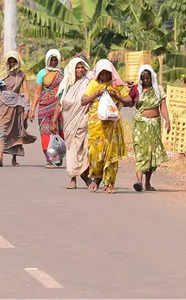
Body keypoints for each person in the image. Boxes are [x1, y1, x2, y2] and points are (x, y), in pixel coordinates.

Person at [81, 59, 132, 194]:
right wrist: (96, 94)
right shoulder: (93, 84)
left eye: (107, 73)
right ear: (98, 74)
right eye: (102, 74)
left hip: (112, 127)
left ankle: (109, 183)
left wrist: (117, 96)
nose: (104, 76)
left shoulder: (116, 85)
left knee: (111, 155)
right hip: (96, 127)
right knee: (95, 154)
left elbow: (129, 101)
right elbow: (83, 100)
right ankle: (96, 179)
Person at [51, 57, 92, 189]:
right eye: (77, 67)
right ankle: (73, 178)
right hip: (69, 124)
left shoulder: (88, 82)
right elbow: (59, 103)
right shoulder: (66, 84)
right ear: (72, 69)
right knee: (72, 150)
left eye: (81, 67)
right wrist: (53, 121)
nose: (80, 70)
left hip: (84, 121)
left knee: (84, 151)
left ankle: (86, 176)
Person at [131, 65, 170, 192]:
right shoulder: (138, 90)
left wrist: (167, 120)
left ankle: (147, 182)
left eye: (148, 78)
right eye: (143, 79)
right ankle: (139, 181)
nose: (146, 81)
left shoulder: (158, 90)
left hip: (154, 125)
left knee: (152, 154)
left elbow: (163, 107)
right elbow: (129, 100)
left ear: (151, 77)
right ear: (140, 79)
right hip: (140, 125)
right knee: (141, 151)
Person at [0, 51, 36, 167]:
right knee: (3, 130)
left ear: (17, 61)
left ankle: (14, 158)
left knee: (16, 131)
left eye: (14, 61)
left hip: (16, 107)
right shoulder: (2, 74)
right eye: (10, 61)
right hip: (3, 105)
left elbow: (25, 92)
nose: (11, 63)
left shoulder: (21, 75)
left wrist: (27, 108)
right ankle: (0, 155)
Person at [29, 49, 64, 167]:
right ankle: (50, 159)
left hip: (59, 107)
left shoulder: (63, 74)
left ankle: (58, 157)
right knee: (45, 133)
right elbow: (37, 93)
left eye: (55, 59)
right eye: (51, 59)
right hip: (44, 107)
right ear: (47, 60)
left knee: (58, 132)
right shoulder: (41, 73)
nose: (53, 62)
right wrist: (32, 109)